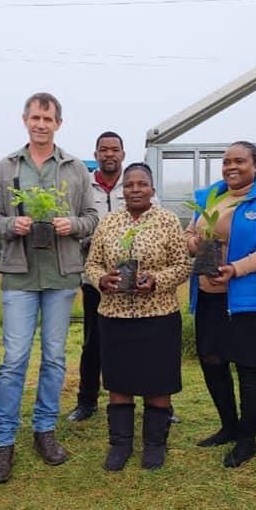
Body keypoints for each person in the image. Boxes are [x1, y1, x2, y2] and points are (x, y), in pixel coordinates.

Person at [0, 92, 99, 483]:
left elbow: (93, 216)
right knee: (14, 359)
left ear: (58, 124)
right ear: (24, 120)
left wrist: (74, 225)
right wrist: (8, 226)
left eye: (47, 119)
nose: (40, 124)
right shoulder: (6, 167)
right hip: (19, 274)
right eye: (34, 117)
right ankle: (3, 443)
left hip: (61, 275)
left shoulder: (75, 169)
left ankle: (44, 432)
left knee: (53, 358)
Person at [187, 141, 256, 468]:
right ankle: (229, 426)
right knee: (211, 360)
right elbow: (191, 233)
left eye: (240, 161)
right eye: (227, 161)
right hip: (209, 295)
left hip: (249, 300)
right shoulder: (209, 197)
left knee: (248, 366)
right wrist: (193, 242)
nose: (232, 167)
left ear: (255, 165)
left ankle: (248, 438)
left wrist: (236, 269)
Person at [85, 163, 191, 470]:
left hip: (158, 315)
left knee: (158, 382)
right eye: (129, 184)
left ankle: (155, 445)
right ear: (122, 192)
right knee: (119, 382)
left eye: (141, 184)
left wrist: (156, 280)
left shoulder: (167, 220)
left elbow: (183, 265)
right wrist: (102, 280)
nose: (134, 189)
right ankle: (120, 445)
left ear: (152, 190)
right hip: (114, 315)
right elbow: (92, 264)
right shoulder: (108, 223)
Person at [67, 130, 127, 423]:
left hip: (131, 280)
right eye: (103, 150)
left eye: (114, 150)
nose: (109, 155)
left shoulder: (136, 182)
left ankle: (155, 401)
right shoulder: (83, 186)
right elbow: (75, 225)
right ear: (96, 154)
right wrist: (85, 244)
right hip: (94, 279)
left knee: (138, 342)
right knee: (93, 342)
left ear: (123, 155)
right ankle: (87, 401)